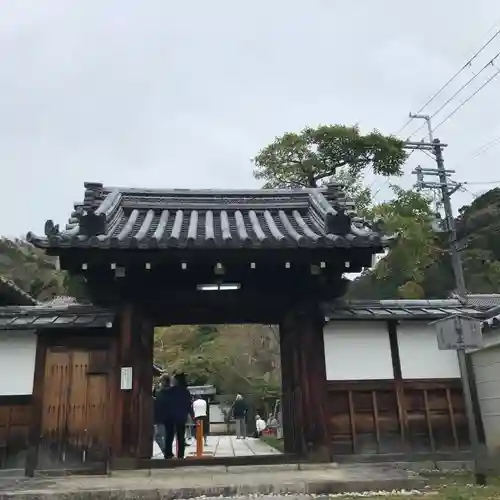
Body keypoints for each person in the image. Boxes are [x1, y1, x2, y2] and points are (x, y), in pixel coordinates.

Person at [162, 372, 194, 459]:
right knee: (181, 436)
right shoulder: (186, 392)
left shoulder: (171, 391)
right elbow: (188, 405)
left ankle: (168, 453)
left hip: (170, 416)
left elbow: (166, 402)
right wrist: (191, 415)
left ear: (176, 381)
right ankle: (180, 454)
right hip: (181, 416)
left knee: (169, 435)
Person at [153, 374, 170, 456]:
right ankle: (167, 452)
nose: (160, 383)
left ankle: (166, 452)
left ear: (164, 382)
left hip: (162, 418)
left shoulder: (161, 393)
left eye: (160, 381)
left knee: (158, 436)